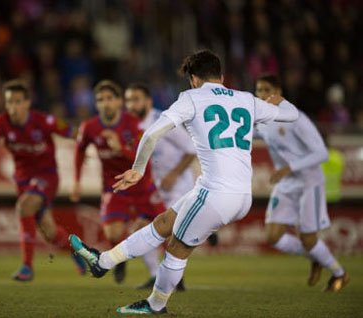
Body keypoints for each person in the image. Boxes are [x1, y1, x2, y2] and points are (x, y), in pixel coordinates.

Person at [69, 49, 299, 314]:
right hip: (239, 195)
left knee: (177, 248)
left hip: (215, 193)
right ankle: (104, 261)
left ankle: (155, 305)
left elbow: (153, 132)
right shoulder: (247, 99)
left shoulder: (191, 98)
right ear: (221, 76)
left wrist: (138, 168)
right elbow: (291, 115)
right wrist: (280, 102)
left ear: (193, 79)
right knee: (163, 223)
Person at [0, 79, 86, 281]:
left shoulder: (43, 121)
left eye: (17, 102)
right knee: (49, 233)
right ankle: (76, 249)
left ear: (27, 103)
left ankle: (27, 267)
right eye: (9, 102)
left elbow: (75, 133)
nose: (13, 107)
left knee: (24, 206)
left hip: (47, 176)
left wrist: (93, 141)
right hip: (23, 181)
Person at [254, 74, 349, 291]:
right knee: (273, 237)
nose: (261, 94)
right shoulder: (262, 121)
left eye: (266, 90)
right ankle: (316, 257)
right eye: (258, 90)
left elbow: (322, 153)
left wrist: (290, 167)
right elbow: (245, 133)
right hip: (286, 183)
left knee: (308, 238)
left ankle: (339, 273)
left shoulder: (297, 118)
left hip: (309, 181)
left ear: (278, 93)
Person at [71, 80, 166, 284]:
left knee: (167, 226)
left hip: (141, 184)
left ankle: (175, 275)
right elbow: (79, 150)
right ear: (96, 104)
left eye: (110, 99)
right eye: (100, 100)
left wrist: (119, 147)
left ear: (119, 102)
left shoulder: (133, 125)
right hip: (113, 186)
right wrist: (77, 181)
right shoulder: (90, 127)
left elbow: (143, 158)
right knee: (112, 231)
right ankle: (120, 259)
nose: (105, 103)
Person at [124, 83, 197, 290]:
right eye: (128, 100)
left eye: (136, 99)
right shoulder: (129, 126)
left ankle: (173, 277)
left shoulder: (164, 121)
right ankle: (158, 275)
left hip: (177, 187)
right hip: (153, 188)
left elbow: (191, 150)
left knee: (171, 231)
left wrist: (174, 174)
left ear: (148, 101)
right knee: (142, 229)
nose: (131, 105)